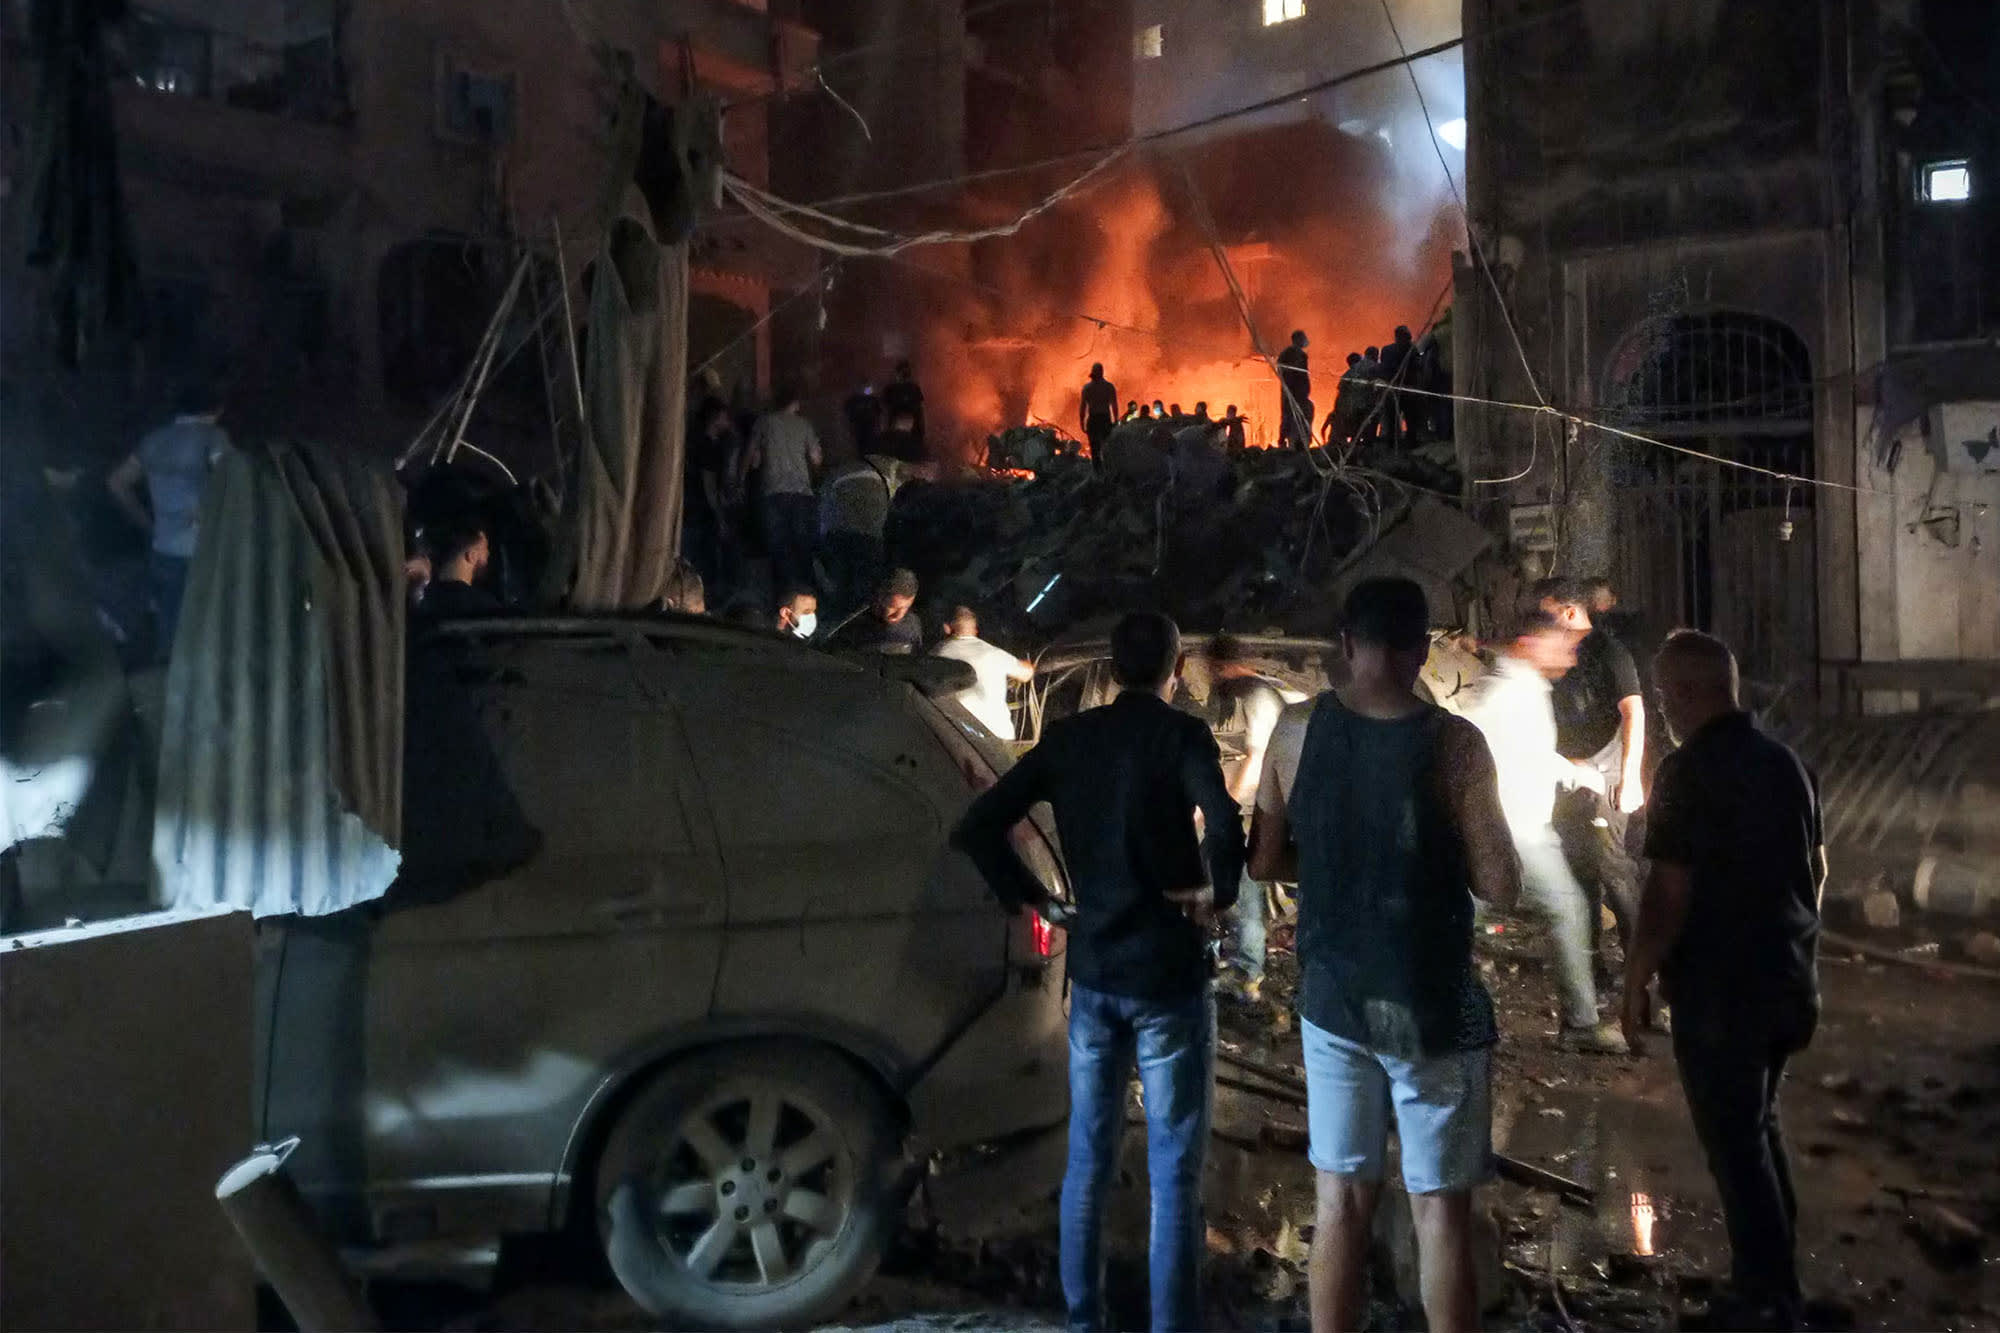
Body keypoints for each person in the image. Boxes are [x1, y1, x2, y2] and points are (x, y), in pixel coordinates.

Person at [953, 611, 1242, 1333]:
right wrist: (1217, 891)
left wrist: (1034, 897)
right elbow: (1228, 824)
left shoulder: (1072, 739)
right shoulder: (1181, 736)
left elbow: (977, 825)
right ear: (1175, 672)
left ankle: (1085, 1321)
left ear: (1111, 670)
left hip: (1096, 976)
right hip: (1169, 978)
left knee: (1086, 1158)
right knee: (1175, 1174)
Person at [1249, 578, 1518, 1333]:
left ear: (1346, 645)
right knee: (1439, 1214)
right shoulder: (1455, 744)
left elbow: (1264, 860)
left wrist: (1347, 861)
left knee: (1338, 1204)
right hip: (1434, 1005)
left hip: (1334, 1003)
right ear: (1422, 649)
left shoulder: (1295, 730)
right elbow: (1500, 883)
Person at [1622, 631, 1825, 1331]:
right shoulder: (1787, 764)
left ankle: (1767, 1300)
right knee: (1758, 1129)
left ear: (1687, 692)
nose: (1662, 706)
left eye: (1663, 692)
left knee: (1736, 1143)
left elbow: (1667, 893)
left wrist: (1635, 979)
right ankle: (1770, 1277)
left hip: (1722, 996)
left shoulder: (1685, 773)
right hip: (1789, 984)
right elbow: (1817, 871)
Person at [1461, 610, 1626, 1053]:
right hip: (1514, 833)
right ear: (1530, 644)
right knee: (1562, 909)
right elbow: (1477, 759)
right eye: (1563, 648)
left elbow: (1528, 753)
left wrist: (1573, 772)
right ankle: (1580, 1024)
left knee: (1467, 921)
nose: (1570, 660)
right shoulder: (1502, 697)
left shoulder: (1526, 691)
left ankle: (1579, 1022)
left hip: (1521, 831)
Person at [1537, 578, 1648, 991]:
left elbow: (1633, 711)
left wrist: (1631, 774)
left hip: (1607, 776)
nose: (1540, 623)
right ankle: (1592, 969)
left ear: (1568, 612)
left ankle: (1640, 966)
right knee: (1578, 871)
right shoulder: (1555, 652)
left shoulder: (1607, 651)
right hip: (1567, 775)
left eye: (1546, 613)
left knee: (1613, 870)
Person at [107, 383, 231, 654]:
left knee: (171, 633)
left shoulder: (153, 440)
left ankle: (166, 687)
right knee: (212, 633)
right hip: (204, 550)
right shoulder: (214, 437)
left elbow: (117, 482)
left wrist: (147, 524)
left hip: (163, 548)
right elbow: (228, 487)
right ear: (219, 408)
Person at [1209, 633, 1289, 1002]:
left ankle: (1247, 976)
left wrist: (1224, 805)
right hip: (1246, 809)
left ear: (1222, 665)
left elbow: (1256, 761)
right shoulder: (1239, 696)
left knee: (1246, 896)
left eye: (1211, 668)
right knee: (1239, 892)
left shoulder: (1255, 698)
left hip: (1251, 811)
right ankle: (1241, 963)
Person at [741, 388, 822, 598]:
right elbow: (816, 459)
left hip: (772, 492)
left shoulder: (763, 422)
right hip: (801, 492)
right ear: (795, 403)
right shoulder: (804, 425)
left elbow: (751, 455)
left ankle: (783, 599)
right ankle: (806, 598)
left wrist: (740, 480)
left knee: (778, 549)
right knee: (802, 548)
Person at [933, 606, 1035, 740]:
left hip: (957, 731)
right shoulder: (994, 653)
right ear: (975, 631)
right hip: (997, 735)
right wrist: (1029, 665)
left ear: (947, 628)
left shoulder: (938, 654)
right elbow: (1026, 674)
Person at [818, 453, 892, 620]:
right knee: (863, 590)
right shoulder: (881, 473)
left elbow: (824, 503)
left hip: (840, 536)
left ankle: (836, 623)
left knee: (839, 587)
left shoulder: (840, 471)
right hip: (870, 539)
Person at [683, 399, 735, 593]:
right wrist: (718, 514)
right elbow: (709, 483)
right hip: (702, 511)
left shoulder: (700, 444)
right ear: (715, 419)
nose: (727, 420)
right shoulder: (708, 446)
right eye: (724, 416)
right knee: (705, 559)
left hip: (695, 508)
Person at [415, 517, 501, 619]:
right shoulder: (486, 608)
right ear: (472, 555)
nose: (488, 553)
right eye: (486, 548)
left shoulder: (422, 597)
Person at [830, 567, 924, 655]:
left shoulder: (913, 624)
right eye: (893, 607)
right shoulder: (851, 624)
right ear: (880, 598)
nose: (899, 614)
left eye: (905, 607)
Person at [1378, 325, 1416, 448]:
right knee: (1405, 416)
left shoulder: (1387, 350)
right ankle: (1405, 443)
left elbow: (1383, 369)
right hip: (1405, 388)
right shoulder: (1411, 350)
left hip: (1394, 388)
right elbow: (1417, 368)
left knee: (1395, 417)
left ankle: (1394, 443)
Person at [1277, 330, 1312, 450]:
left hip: (1290, 391)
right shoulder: (1298, 354)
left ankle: (1285, 441)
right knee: (1294, 416)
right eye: (1303, 338)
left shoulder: (1285, 353)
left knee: (1288, 416)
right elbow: (1300, 374)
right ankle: (1294, 444)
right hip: (1295, 392)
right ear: (1298, 339)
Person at [1080, 364, 1119, 468]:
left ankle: (1097, 473)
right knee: (1106, 447)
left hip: (1093, 420)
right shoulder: (1109, 387)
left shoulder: (1087, 388)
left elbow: (1083, 407)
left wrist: (1082, 421)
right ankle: (1108, 471)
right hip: (1105, 419)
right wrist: (1115, 420)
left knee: (1095, 449)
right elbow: (1114, 405)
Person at [882, 360, 926, 453]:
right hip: (901, 428)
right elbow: (886, 409)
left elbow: (920, 408)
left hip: (910, 429)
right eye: (903, 372)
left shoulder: (913, 388)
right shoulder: (892, 389)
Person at [843, 383, 884, 457]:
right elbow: (849, 412)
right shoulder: (856, 400)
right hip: (861, 426)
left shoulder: (871, 400)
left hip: (870, 426)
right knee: (863, 444)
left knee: (870, 443)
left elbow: (878, 413)